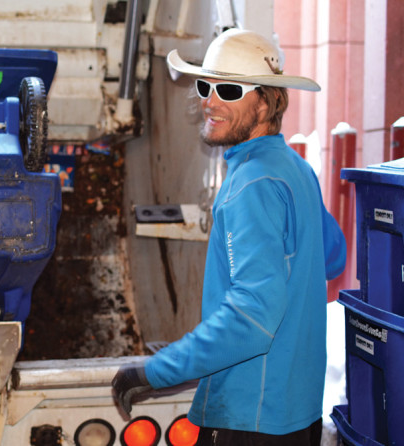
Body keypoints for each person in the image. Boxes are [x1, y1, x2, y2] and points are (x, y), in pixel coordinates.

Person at [112, 28, 346, 446]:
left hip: (248, 420)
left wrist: (155, 371)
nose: (210, 100)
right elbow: (332, 256)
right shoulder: (294, 169)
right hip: (297, 416)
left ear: (268, 101)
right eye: (207, 85)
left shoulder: (250, 185)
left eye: (230, 90)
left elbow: (253, 317)